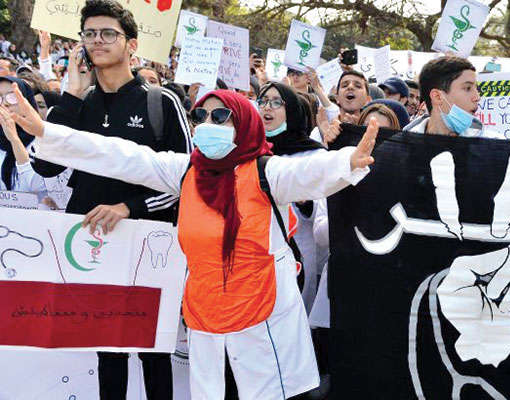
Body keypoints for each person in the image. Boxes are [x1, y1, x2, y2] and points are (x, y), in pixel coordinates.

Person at [9, 83, 378, 400]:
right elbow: (120, 155)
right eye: (200, 116)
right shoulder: (186, 171)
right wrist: (47, 132)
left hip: (262, 318)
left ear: (243, 123)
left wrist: (348, 161)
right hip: (206, 317)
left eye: (220, 118)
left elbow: (309, 171)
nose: (207, 125)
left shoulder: (268, 173)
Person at [29, 1, 192, 398]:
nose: (97, 41)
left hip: (149, 247)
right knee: (108, 352)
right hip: (91, 246)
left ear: (131, 44)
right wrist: (69, 97)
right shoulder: (77, 103)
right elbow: (44, 167)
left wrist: (129, 208)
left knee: (152, 350)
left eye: (108, 33)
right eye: (89, 34)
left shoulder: (160, 102)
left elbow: (189, 179)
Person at [404, 55, 502, 138]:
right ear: (437, 97)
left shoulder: (494, 147)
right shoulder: (401, 148)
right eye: (467, 88)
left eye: (476, 88)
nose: (477, 97)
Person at [0, 77, 45, 195]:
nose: (5, 103)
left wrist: (14, 139)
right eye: (0, 97)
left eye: (12, 96)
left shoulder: (43, 139)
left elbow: (38, 185)